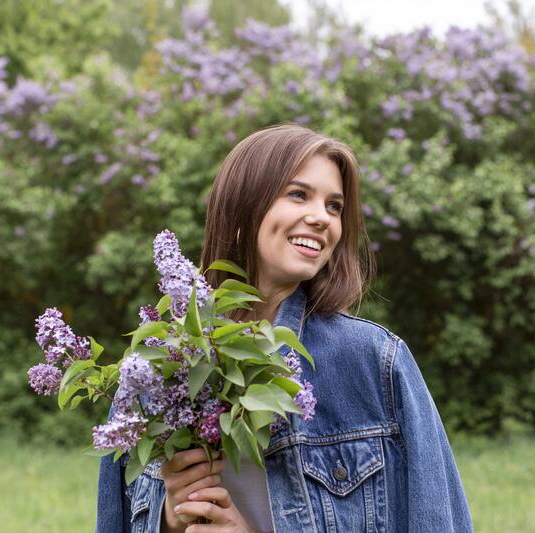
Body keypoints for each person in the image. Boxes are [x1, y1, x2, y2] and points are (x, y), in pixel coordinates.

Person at [95, 124, 473, 532]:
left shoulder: (375, 362)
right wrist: (170, 517)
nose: (321, 218)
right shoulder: (156, 369)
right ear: (243, 207)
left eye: (334, 206)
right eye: (298, 195)